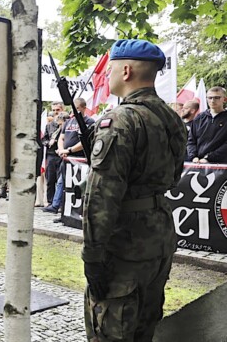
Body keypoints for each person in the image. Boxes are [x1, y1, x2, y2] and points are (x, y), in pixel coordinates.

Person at [81, 40, 187, 341]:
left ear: (125, 70)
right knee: (144, 326)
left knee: (111, 329)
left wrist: (92, 256)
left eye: (111, 69)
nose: (109, 75)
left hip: (124, 244)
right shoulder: (172, 120)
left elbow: (101, 197)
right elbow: (172, 178)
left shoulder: (120, 120)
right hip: (158, 236)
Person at [43, 97, 95, 215]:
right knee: (62, 181)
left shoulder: (89, 122)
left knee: (76, 185)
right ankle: (57, 206)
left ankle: (76, 211)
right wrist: (61, 150)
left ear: (84, 108)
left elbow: (85, 141)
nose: (75, 112)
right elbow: (61, 137)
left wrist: (69, 150)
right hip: (66, 159)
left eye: (77, 109)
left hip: (80, 159)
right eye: (73, 109)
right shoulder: (68, 122)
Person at [187, 86, 227, 163]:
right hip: (198, 164)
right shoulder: (199, 118)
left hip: (221, 167)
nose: (212, 100)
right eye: (210, 98)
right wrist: (193, 156)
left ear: (224, 99)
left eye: (217, 97)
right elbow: (191, 141)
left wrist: (208, 158)